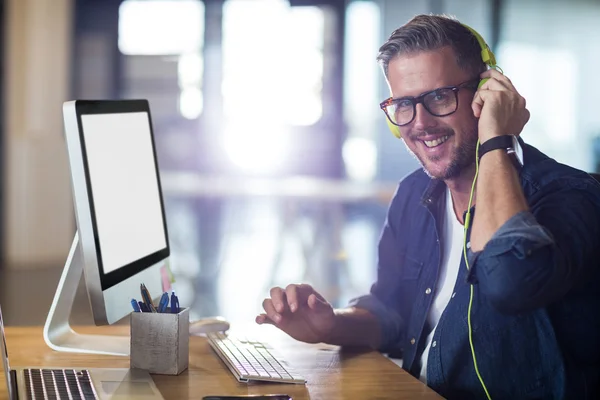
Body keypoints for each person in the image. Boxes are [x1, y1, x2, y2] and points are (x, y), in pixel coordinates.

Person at [256, 14, 600, 399]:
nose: (420, 123)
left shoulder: (572, 196)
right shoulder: (414, 195)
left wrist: (494, 140)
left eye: (439, 97)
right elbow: (390, 312)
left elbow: (509, 281)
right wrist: (329, 326)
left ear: (486, 93)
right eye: (403, 104)